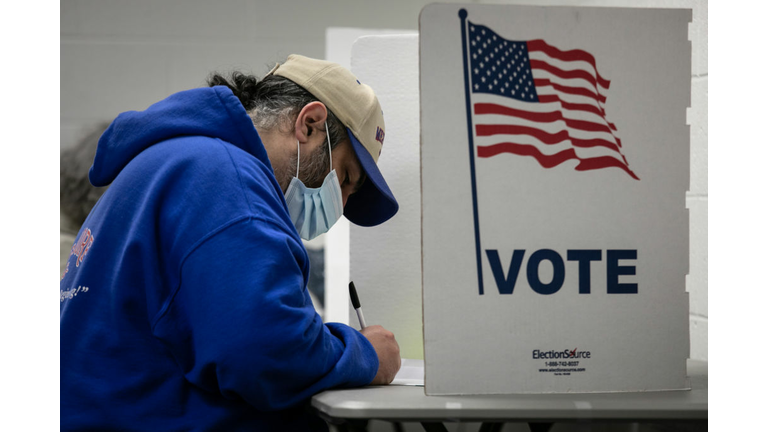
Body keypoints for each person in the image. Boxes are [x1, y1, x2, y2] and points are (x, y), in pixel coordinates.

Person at [60, 55, 401, 431]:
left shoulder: (176, 160)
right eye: (347, 177)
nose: (342, 205)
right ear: (310, 124)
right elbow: (264, 353)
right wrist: (367, 355)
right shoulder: (228, 181)